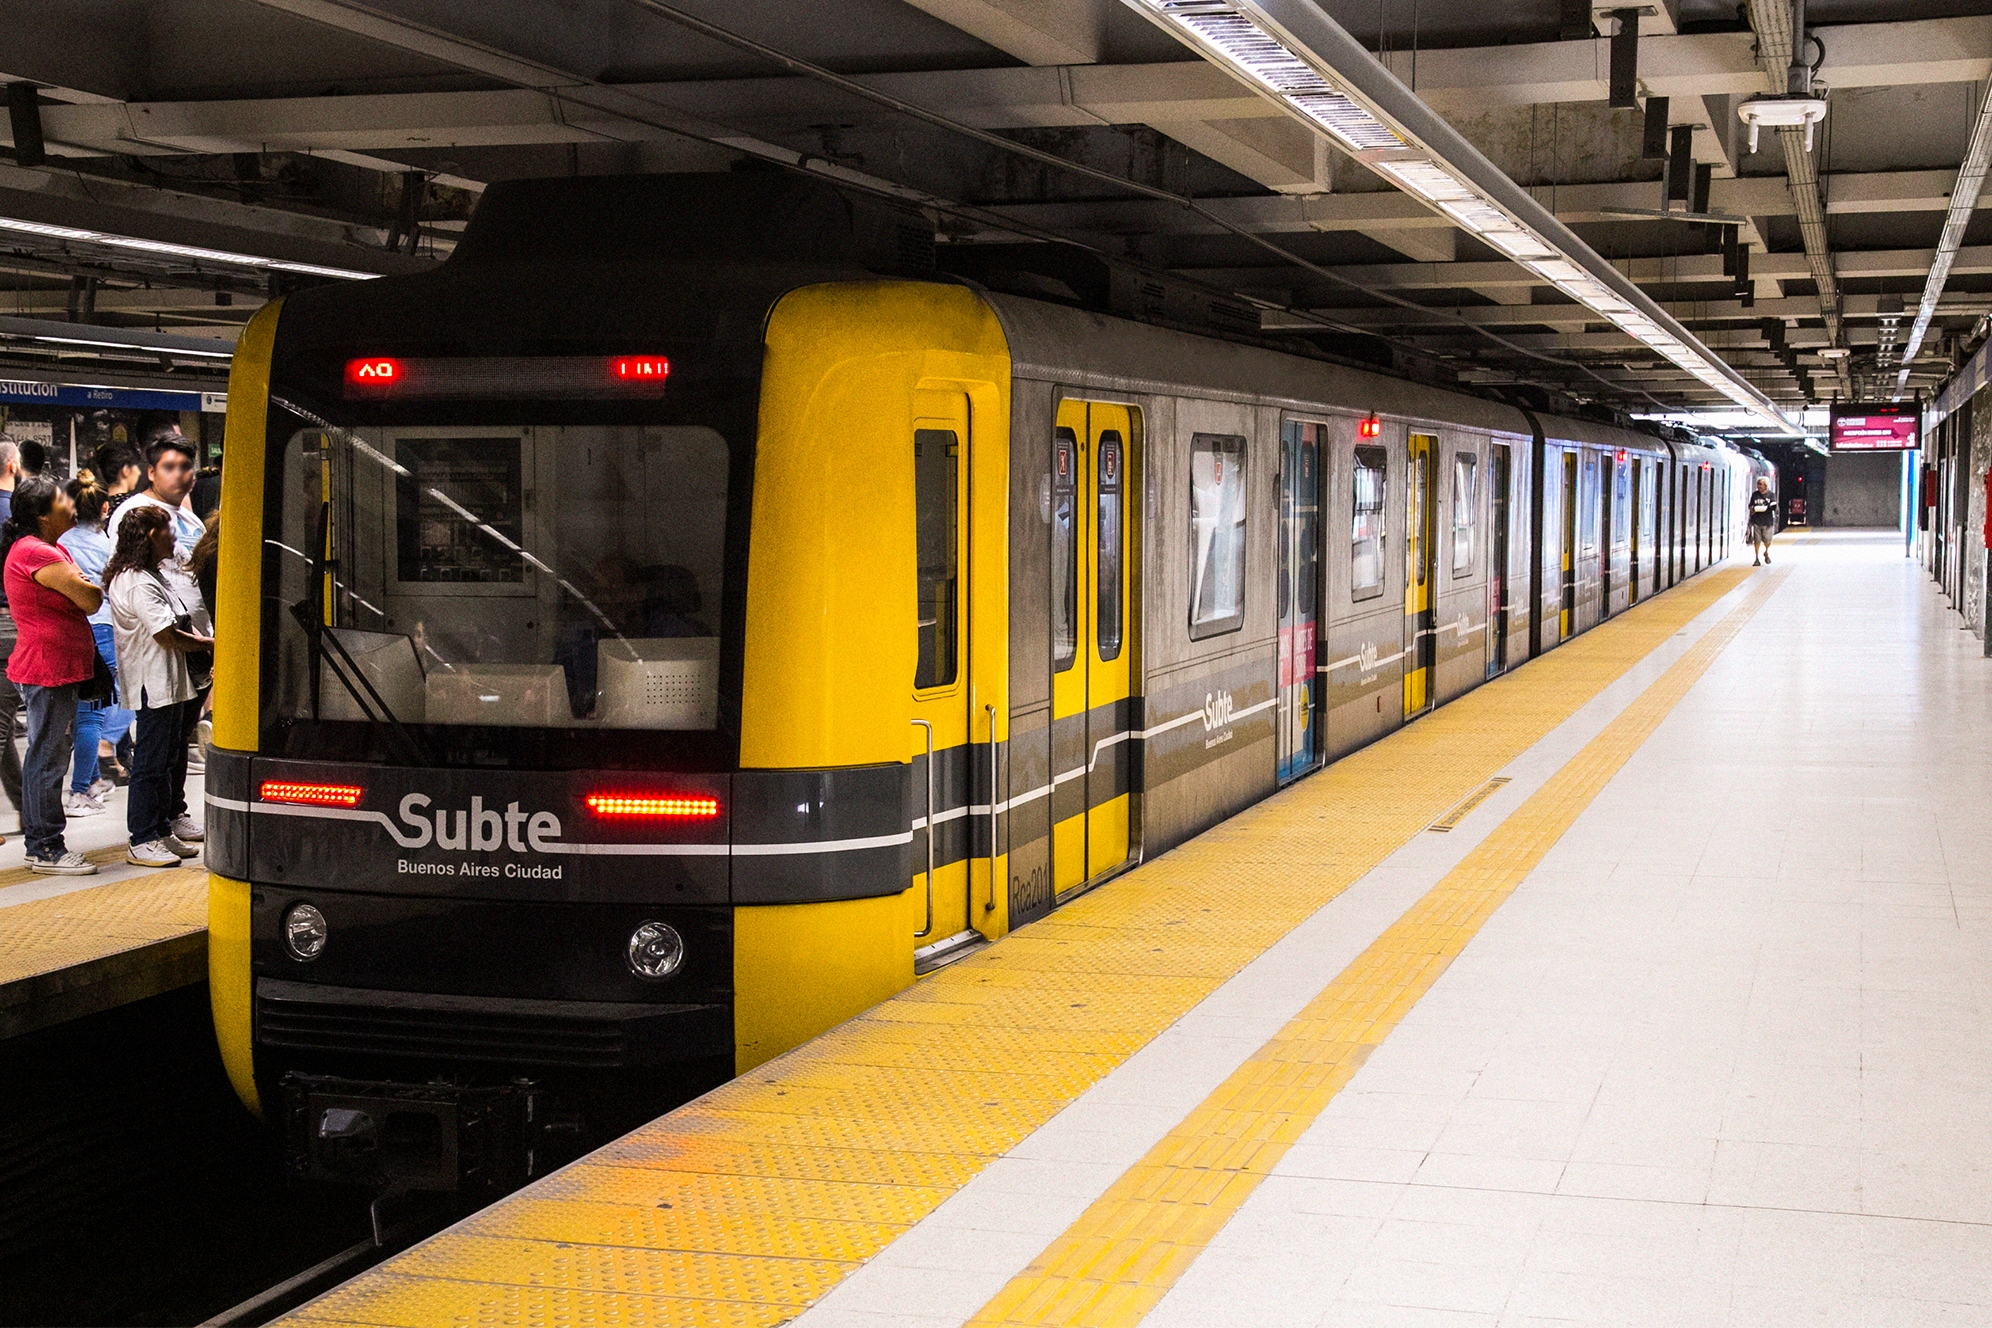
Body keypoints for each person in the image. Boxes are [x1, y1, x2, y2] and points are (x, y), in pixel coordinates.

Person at [107, 428, 210, 833]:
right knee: (156, 747)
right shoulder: (134, 515)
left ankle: (172, 812)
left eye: (187, 467)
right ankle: (149, 827)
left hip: (193, 642)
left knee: (177, 743)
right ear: (151, 471)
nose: (180, 475)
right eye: (170, 467)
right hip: (163, 648)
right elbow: (134, 577)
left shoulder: (188, 516)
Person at [2, 475, 103, 873]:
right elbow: (91, 597)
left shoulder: (48, 548)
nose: (70, 502)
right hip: (46, 667)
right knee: (47, 758)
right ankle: (45, 847)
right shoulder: (36, 553)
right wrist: (84, 585)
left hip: (56, 667)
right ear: (44, 514)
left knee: (48, 754)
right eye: (62, 499)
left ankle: (41, 841)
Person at [60, 470, 133, 815]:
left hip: (68, 630)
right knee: (94, 714)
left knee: (77, 714)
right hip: (103, 630)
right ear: (105, 508)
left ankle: (91, 781)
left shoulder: (59, 543)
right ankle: (80, 791)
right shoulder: (107, 546)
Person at [1747, 477, 1776, 566]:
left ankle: (1766, 551)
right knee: (1757, 540)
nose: (1758, 486)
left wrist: (1765, 508)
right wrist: (1752, 509)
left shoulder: (1771, 495)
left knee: (1767, 540)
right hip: (1756, 521)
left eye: (1760, 484)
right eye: (1758, 484)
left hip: (1767, 522)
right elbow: (1750, 505)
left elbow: (1774, 506)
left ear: (1765, 485)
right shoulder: (1755, 495)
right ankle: (1756, 558)